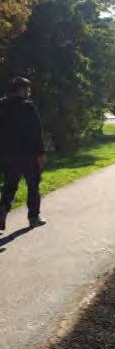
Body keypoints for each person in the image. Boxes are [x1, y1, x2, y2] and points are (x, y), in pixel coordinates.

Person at [0, 77, 46, 232]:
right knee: (33, 185)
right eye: (27, 89)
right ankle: (34, 218)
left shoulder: (2, 105)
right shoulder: (28, 107)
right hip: (28, 154)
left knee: (10, 185)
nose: (28, 92)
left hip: (6, 154)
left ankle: (2, 210)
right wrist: (40, 154)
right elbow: (36, 132)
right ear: (21, 89)